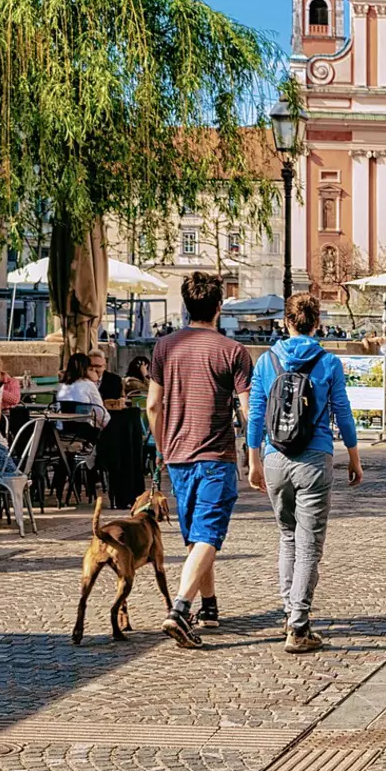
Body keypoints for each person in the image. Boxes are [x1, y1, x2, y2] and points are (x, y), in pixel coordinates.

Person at [246, 292, 362, 652]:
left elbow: (255, 414)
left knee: (286, 537)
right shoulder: (328, 363)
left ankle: (288, 613)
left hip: (275, 457)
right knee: (309, 544)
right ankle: (298, 625)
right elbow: (343, 414)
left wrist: (253, 459)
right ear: (317, 323)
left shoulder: (266, 362)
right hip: (314, 458)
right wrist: (354, 459)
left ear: (286, 322)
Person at [147, 271, 252, 647]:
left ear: (185, 306)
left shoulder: (164, 347)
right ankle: (180, 609)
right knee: (207, 535)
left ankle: (208, 606)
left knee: (196, 536)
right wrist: (253, 455)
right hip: (215, 453)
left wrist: (161, 447)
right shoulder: (233, 351)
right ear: (219, 308)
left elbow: (153, 405)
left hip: (176, 455)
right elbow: (246, 411)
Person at [54, 352, 110, 442]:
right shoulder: (88, 385)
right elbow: (101, 413)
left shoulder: (61, 386)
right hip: (83, 430)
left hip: (62, 429)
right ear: (86, 369)